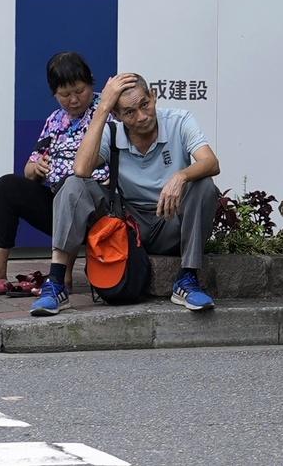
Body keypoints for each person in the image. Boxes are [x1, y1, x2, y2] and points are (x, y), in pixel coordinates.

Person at [30, 73, 221, 315]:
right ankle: (56, 283)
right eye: (129, 112)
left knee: (204, 185)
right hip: (128, 224)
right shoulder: (112, 131)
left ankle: (187, 278)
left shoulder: (179, 121)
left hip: (170, 221)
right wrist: (102, 109)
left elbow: (210, 162)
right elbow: (81, 169)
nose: (142, 116)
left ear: (153, 96)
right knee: (73, 185)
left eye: (145, 104)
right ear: (117, 115)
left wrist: (180, 176)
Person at [0, 52, 109, 294]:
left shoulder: (107, 110)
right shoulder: (55, 120)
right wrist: (36, 169)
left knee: (72, 183)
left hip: (98, 207)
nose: (73, 100)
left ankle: (63, 275)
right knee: (7, 186)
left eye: (79, 91)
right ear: (54, 93)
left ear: (90, 81)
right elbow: (30, 168)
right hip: (57, 203)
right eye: (64, 95)